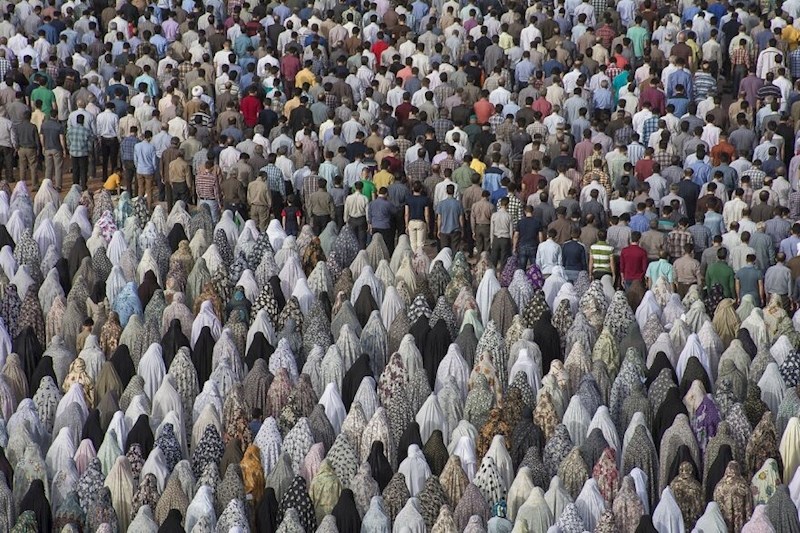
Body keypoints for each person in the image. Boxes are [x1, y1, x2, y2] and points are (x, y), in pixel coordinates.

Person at [435, 184, 464, 251]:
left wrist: (438, 229)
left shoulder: (441, 204)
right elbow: (461, 219)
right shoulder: (458, 204)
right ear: (454, 191)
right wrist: (462, 229)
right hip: (455, 230)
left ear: (446, 191)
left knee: (445, 251)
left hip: (444, 230)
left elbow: (439, 219)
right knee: (455, 250)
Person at [405, 180, 431, 253]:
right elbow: (426, 214)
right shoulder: (425, 199)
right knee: (421, 244)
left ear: (412, 188)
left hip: (411, 221)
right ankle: (419, 256)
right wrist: (428, 224)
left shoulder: (408, 199)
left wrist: (406, 225)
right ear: (421, 189)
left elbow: (406, 213)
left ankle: (414, 256)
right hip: (421, 221)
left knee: (412, 243)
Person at [490, 197, 513, 268]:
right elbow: (511, 230)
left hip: (496, 238)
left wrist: (492, 241)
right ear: (507, 205)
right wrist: (511, 241)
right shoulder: (509, 216)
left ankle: (493, 271)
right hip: (505, 238)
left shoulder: (494, 215)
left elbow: (492, 229)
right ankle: (502, 272)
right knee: (504, 258)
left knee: (494, 258)